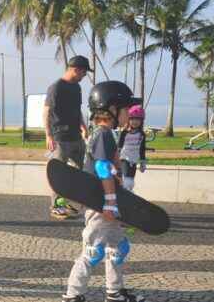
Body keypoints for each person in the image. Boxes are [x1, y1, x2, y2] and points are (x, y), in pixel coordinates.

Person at [61, 81, 144, 302]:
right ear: (112, 109)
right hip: (101, 205)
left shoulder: (107, 134)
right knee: (93, 251)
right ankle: (73, 295)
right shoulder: (103, 134)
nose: (129, 114)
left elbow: (112, 159)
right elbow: (101, 168)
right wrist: (109, 203)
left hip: (111, 203)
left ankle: (114, 292)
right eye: (126, 109)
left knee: (117, 249)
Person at [45, 55, 91, 219]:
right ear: (75, 69)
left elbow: (77, 110)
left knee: (86, 170)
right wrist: (49, 135)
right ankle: (56, 207)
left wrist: (84, 127)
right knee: (58, 174)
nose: (84, 76)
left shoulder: (76, 88)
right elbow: (47, 111)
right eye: (84, 73)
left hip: (76, 137)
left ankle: (78, 204)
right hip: (59, 138)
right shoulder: (56, 87)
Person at [118, 105, 147, 191]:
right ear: (129, 120)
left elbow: (142, 149)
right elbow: (119, 146)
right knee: (126, 180)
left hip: (134, 161)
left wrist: (143, 162)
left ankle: (128, 194)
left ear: (141, 121)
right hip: (124, 159)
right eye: (132, 119)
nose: (135, 122)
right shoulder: (125, 133)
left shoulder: (141, 135)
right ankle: (125, 194)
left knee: (131, 180)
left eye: (138, 119)